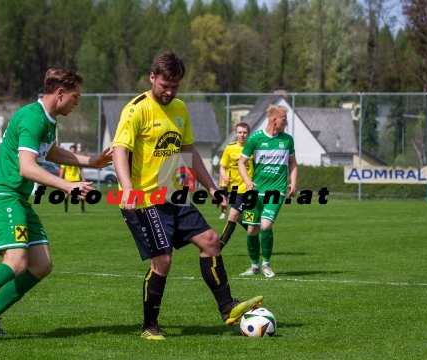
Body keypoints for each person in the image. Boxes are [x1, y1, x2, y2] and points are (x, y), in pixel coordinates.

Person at [0, 67, 113, 346]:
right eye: (75, 96)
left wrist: (92, 161)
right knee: (17, 262)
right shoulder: (33, 118)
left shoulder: (46, 119)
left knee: (41, 265)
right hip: (2, 195)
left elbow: (51, 152)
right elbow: (27, 167)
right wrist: (68, 186)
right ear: (60, 93)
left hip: (16, 197)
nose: (77, 102)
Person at [112, 51, 263, 341]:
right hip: (143, 199)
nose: (169, 92)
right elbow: (120, 149)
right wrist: (127, 187)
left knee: (210, 241)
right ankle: (149, 326)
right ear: (152, 78)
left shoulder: (180, 108)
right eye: (164, 86)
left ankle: (228, 308)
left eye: (175, 87)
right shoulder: (135, 110)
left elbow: (189, 151)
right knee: (163, 261)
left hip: (172, 194)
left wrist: (212, 188)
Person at [238, 105, 297, 278]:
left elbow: (293, 163)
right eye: (284, 119)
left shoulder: (287, 140)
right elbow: (242, 163)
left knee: (265, 225)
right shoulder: (255, 139)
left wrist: (293, 182)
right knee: (251, 230)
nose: (286, 122)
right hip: (255, 191)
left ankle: (266, 264)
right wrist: (248, 181)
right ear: (274, 120)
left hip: (276, 190)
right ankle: (254, 266)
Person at [218, 123, 252, 249]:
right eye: (240, 132)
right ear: (235, 133)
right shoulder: (230, 148)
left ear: (248, 134)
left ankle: (219, 245)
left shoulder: (253, 148)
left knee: (233, 214)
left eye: (244, 132)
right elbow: (223, 166)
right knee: (238, 217)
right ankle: (253, 230)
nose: (242, 135)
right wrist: (224, 177)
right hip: (234, 189)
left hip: (248, 190)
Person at [60, 145, 88, 213]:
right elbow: (62, 170)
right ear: (69, 150)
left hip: (76, 179)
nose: (73, 151)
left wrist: (83, 178)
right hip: (68, 180)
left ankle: (83, 209)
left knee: (80, 194)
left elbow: (80, 169)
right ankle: (66, 210)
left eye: (74, 150)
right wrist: (60, 179)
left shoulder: (77, 160)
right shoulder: (65, 160)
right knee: (66, 195)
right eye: (71, 150)